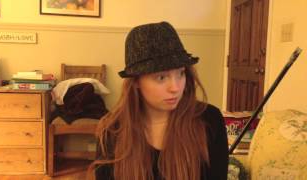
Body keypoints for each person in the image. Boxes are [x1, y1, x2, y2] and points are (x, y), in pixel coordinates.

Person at [91, 21, 228, 180]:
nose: (176, 88)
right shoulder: (112, 130)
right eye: (161, 77)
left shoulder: (209, 120)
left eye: (180, 73)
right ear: (136, 82)